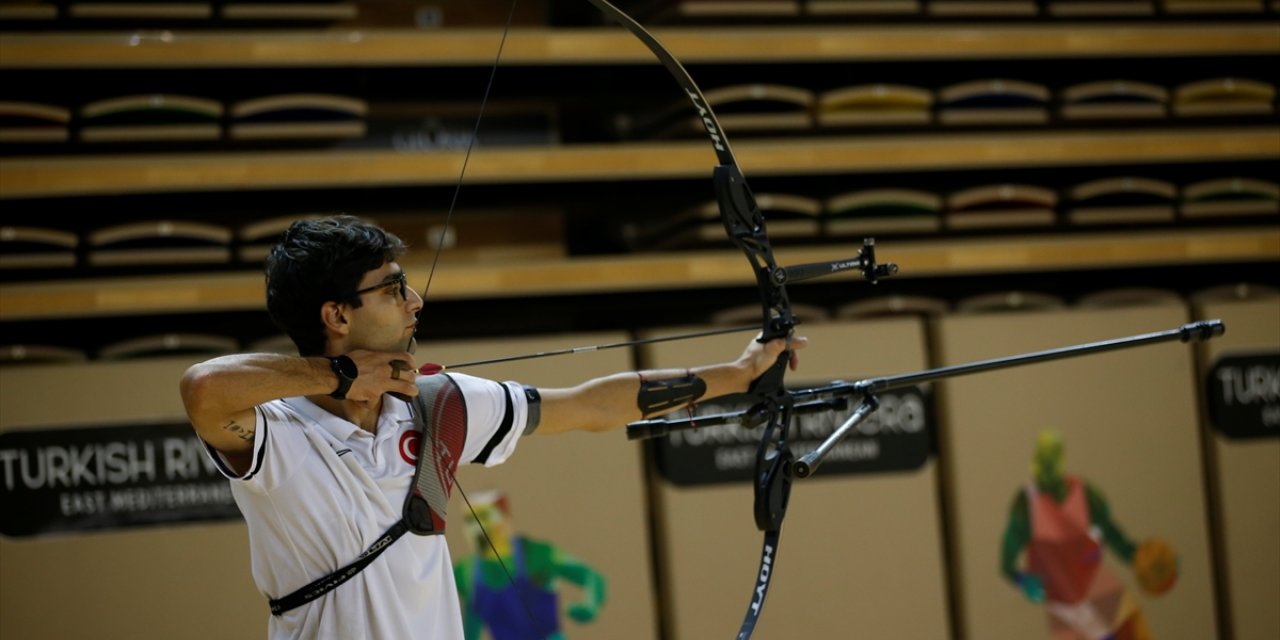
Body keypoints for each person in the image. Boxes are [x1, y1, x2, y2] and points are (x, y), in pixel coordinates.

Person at [179, 214, 802, 639]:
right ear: (337, 314)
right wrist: (341, 375)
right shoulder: (278, 433)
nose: (415, 301)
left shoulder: (437, 405)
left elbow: (590, 405)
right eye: (394, 289)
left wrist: (742, 372)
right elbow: (204, 388)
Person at [1000, 429, 1177, 640]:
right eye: (1043, 460)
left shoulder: (1083, 492)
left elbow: (1111, 533)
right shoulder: (1025, 506)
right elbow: (1006, 565)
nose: (1047, 469)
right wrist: (1022, 580)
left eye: (1052, 459)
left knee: (1133, 631)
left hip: (1099, 589)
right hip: (1065, 609)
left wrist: (1136, 555)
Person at [454, 490, 604, 640]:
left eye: (484, 517)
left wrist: (590, 606)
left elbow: (592, 577)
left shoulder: (537, 554)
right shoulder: (465, 572)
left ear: (505, 518)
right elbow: (471, 626)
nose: (476, 527)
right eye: (469, 520)